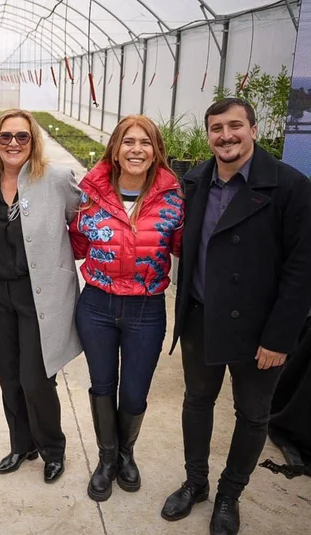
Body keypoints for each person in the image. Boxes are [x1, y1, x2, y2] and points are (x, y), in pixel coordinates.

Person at [161, 98, 311, 535]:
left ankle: (230, 493)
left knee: (252, 414)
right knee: (197, 402)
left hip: (260, 331)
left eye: (234, 126)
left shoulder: (290, 186)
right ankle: (196, 483)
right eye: (216, 129)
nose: (225, 136)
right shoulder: (195, 181)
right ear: (208, 135)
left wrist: (280, 338)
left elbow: (302, 271)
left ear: (254, 129)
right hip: (202, 318)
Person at [69, 115, 184, 502]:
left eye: (145, 143)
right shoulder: (90, 194)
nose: (137, 150)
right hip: (97, 305)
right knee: (102, 385)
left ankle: (126, 453)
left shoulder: (173, 198)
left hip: (146, 310)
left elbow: (186, 247)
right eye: (128, 142)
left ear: (156, 152)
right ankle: (106, 459)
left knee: (135, 392)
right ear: (115, 151)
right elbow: (75, 244)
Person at [0, 109, 82, 483]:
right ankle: (22, 445)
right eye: (5, 137)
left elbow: (79, 220)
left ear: (34, 141)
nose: (13, 144)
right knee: (9, 376)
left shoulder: (55, 179)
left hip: (39, 295)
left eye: (22, 137)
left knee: (36, 377)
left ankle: (53, 448)